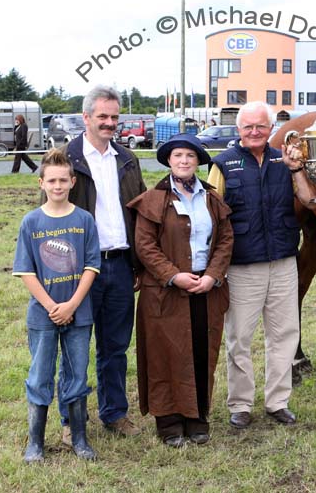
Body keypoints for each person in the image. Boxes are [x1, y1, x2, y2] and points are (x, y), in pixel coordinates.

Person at [207, 101, 315, 429]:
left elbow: (309, 200)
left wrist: (297, 170)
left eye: (261, 126)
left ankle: (277, 401)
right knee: (239, 337)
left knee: (284, 335)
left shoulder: (286, 160)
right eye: (248, 127)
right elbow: (211, 215)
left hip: (283, 261)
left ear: (271, 128)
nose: (254, 132)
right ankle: (240, 404)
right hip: (242, 267)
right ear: (239, 130)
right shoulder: (222, 164)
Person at [128, 134, 234, 447]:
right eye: (178, 156)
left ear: (198, 162)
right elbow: (145, 246)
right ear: (169, 161)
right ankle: (170, 421)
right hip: (165, 290)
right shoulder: (153, 200)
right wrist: (174, 276)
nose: (184, 161)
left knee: (202, 351)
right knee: (165, 355)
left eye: (190, 156)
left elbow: (226, 239)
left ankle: (197, 417)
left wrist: (213, 275)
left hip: (205, 287)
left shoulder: (211, 199)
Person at [59, 85, 146, 444]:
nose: (110, 123)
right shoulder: (67, 159)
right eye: (103, 117)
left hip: (120, 264)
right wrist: (61, 270)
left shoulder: (126, 159)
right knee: (75, 346)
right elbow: (52, 217)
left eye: (114, 117)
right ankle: (70, 419)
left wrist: (139, 263)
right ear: (86, 118)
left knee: (115, 346)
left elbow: (139, 210)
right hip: (79, 270)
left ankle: (114, 413)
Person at [13, 148, 100, 462]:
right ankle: (35, 442)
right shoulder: (31, 222)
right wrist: (53, 306)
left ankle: (79, 438)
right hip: (43, 314)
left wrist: (73, 304)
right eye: (52, 180)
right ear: (41, 184)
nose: (58, 186)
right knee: (40, 375)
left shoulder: (84, 219)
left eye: (64, 180)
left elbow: (91, 266)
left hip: (79, 313)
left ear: (73, 182)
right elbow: (25, 270)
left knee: (77, 375)